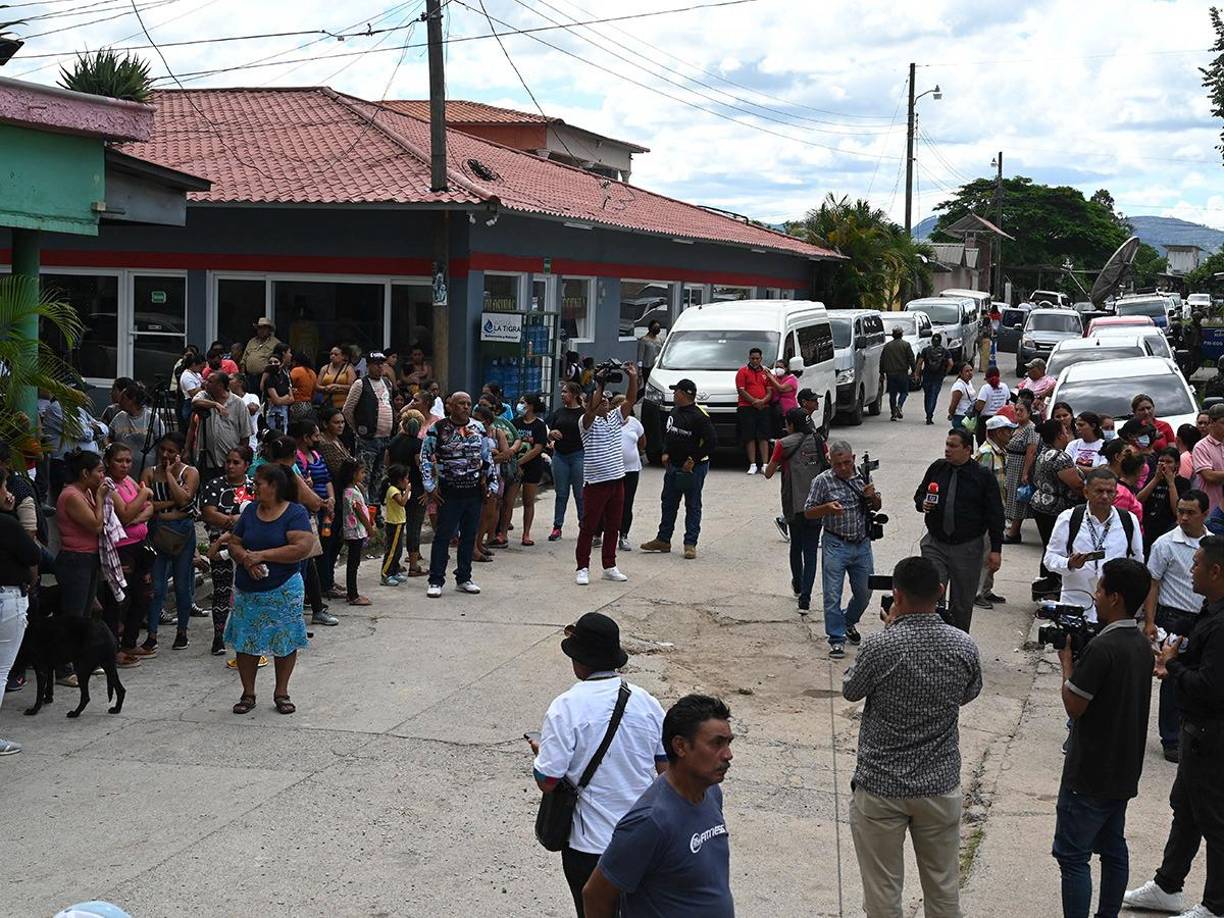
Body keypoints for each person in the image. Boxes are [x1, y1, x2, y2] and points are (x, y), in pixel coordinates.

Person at [843, 556, 982, 918]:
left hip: (881, 786)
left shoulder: (881, 645)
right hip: (938, 784)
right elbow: (969, 692)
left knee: (883, 892)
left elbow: (851, 690)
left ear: (896, 594)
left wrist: (890, 630)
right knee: (943, 888)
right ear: (940, 590)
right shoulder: (963, 645)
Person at [528, 612, 667, 917]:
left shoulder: (566, 707)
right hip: (642, 841)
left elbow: (548, 780)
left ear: (580, 661)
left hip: (590, 846)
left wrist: (541, 753)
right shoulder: (648, 703)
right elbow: (665, 771)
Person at [1124, 533, 1224, 918]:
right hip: (1196, 732)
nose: (1191, 569)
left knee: (1214, 820)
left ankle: (1216, 905)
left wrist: (1171, 667)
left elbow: (1211, 687)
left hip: (1213, 737)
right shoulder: (1209, 609)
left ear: (1216, 571)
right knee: (1185, 807)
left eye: (1197, 564)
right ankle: (1168, 886)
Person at [1052, 558, 1156, 918]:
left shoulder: (1102, 648)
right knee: (1113, 848)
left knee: (1073, 856)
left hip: (1090, 772)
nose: (1094, 596)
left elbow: (1074, 705)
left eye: (1098, 589)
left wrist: (1067, 663)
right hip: (1124, 770)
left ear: (1114, 597)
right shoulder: (1141, 645)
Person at [582, 694, 735, 918]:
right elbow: (596, 895)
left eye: (729, 743)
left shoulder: (711, 792)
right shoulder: (650, 821)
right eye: (716, 743)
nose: (728, 755)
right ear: (681, 746)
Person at [224, 463, 313, 716]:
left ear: (273, 486)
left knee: (284, 639)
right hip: (248, 588)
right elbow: (234, 543)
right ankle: (248, 693)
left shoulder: (295, 513)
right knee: (246, 641)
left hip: (283, 588)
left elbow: (301, 547)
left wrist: (261, 556)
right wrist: (245, 560)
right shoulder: (250, 511)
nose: (254, 485)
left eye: (259, 482)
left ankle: (281, 692)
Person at [913, 429, 1004, 632]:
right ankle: (931, 642)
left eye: (953, 446)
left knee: (962, 603)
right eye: (946, 444)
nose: (947, 450)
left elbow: (995, 514)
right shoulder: (937, 468)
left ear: (967, 449)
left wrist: (996, 550)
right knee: (931, 594)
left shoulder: (982, 476)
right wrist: (923, 503)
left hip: (967, 548)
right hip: (935, 544)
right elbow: (920, 494)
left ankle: (958, 646)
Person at [1144, 490, 1209, 762]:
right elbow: (1153, 583)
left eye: (1190, 512)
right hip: (1172, 619)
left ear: (1204, 514)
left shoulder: (1213, 545)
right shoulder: (1165, 544)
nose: (1183, 517)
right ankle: (1170, 738)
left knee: (1201, 679)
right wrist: (1149, 622)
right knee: (1171, 678)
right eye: (1180, 511)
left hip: (1204, 619)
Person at [804, 439, 879, 658]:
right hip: (835, 543)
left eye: (847, 463)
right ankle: (836, 638)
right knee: (832, 593)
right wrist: (826, 508)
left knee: (865, 592)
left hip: (862, 543)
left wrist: (872, 497)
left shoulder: (863, 475)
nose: (844, 468)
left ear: (853, 459)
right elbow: (808, 511)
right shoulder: (822, 481)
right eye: (838, 465)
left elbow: (876, 505)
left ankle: (847, 621)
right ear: (830, 462)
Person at [421, 391, 499, 598]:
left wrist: (491, 483)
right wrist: (429, 486)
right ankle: (436, 579)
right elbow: (426, 457)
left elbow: (486, 457)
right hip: (449, 491)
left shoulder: (478, 428)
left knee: (469, 536)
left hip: (473, 491)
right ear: (451, 406)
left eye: (468, 403)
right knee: (444, 536)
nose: (465, 407)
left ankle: (464, 577)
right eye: (461, 403)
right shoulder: (437, 429)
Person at [1043, 468, 1144, 623]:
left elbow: (1137, 564)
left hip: (1113, 611)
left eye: (1110, 491)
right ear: (1086, 492)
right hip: (1075, 604)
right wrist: (1069, 563)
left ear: (1116, 494)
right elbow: (1049, 559)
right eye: (1099, 491)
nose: (1105, 496)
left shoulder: (1128, 521)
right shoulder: (1070, 518)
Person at [639, 379, 717, 560]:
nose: (674, 394)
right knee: (668, 503)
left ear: (684, 394)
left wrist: (693, 459)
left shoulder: (699, 416)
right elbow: (670, 434)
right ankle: (663, 539)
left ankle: (690, 543)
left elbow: (712, 442)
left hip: (693, 469)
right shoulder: (674, 411)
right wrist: (666, 452)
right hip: (673, 465)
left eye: (676, 391)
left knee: (692, 504)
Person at [575, 364, 638, 586]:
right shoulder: (585, 423)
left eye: (605, 401)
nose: (603, 402)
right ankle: (582, 567)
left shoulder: (614, 418)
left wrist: (632, 377)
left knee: (614, 525)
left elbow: (630, 400)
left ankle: (609, 566)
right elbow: (592, 408)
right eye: (599, 400)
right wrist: (599, 382)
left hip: (617, 480)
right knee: (589, 526)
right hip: (595, 483)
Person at [764, 407, 827, 612]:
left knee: (796, 547)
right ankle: (805, 600)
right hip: (816, 505)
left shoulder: (783, 444)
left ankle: (798, 586)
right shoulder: (819, 441)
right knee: (811, 552)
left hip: (793, 504)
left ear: (790, 424)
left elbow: (768, 473)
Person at [142, 432, 200, 652]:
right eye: (162, 450)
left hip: (183, 534)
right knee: (156, 587)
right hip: (158, 533)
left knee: (182, 584)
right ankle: (152, 634)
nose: (165, 455)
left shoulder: (190, 472)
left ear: (180, 453)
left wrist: (168, 475)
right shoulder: (148, 473)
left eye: (171, 451)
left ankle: (182, 632)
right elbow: (149, 506)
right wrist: (173, 507)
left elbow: (185, 499)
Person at [100, 444, 155, 667]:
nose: (124, 465)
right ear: (108, 462)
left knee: (143, 595)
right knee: (119, 600)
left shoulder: (129, 481)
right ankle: (114, 649)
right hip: (121, 549)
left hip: (140, 544)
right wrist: (143, 495)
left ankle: (130, 642)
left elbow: (150, 508)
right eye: (119, 461)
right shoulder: (109, 485)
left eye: (128, 461)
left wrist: (137, 514)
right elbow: (124, 514)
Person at [0, 469, 41, 755]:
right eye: (4, 487)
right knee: (1, 670)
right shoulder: (7, 524)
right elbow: (32, 554)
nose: (8, 493)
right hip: (7, 597)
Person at [200, 446, 254, 656]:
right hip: (220, 545)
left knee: (248, 591)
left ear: (246, 465)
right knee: (222, 591)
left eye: (236, 462)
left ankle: (245, 635)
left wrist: (233, 522)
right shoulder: (215, 485)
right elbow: (209, 514)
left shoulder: (253, 486)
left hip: (248, 545)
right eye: (228, 462)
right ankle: (219, 636)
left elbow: (261, 511)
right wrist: (237, 521)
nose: (230, 466)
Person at [1031, 419, 1086, 597]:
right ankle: (1050, 586)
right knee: (1056, 547)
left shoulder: (1044, 453)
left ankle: (1045, 585)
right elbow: (1076, 484)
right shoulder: (1059, 457)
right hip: (1055, 509)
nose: (1068, 434)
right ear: (1060, 435)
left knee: (1048, 546)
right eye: (1065, 431)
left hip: (1041, 504)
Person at [55, 450, 110, 618]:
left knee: (86, 613)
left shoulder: (85, 492)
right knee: (75, 615)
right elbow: (95, 525)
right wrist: (100, 498)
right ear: (85, 473)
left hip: (89, 557)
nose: (102, 476)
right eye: (99, 471)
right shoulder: (72, 496)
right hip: (76, 559)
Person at [342, 351, 395, 507]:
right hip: (368, 439)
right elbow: (347, 410)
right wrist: (358, 429)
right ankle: (364, 510)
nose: (380, 367)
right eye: (376, 364)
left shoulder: (387, 383)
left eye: (382, 364)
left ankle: (375, 510)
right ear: (369, 366)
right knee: (364, 476)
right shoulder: (360, 384)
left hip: (385, 438)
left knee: (379, 477)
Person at [975, 414, 1016, 609]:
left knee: (992, 552)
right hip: (986, 513)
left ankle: (986, 590)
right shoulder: (987, 454)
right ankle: (977, 593)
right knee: (985, 555)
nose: (1010, 434)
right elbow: (980, 485)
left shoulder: (1000, 452)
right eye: (1007, 430)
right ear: (998, 432)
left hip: (997, 511)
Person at [190, 372, 253, 483]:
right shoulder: (204, 396)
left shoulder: (238, 404)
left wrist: (240, 458)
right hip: (207, 459)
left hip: (228, 461)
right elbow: (195, 402)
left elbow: (245, 435)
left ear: (220, 385)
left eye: (210, 381)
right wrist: (215, 405)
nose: (205, 383)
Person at [386, 410, 427, 577]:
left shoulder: (393, 442)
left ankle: (393, 564)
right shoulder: (418, 444)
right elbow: (421, 467)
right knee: (414, 527)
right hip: (415, 489)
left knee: (396, 528)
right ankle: (414, 565)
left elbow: (387, 463)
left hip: (396, 490)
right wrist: (427, 489)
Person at [547, 382, 587, 542]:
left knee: (580, 494)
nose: (562, 395)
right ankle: (557, 527)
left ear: (575, 394)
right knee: (561, 494)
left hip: (578, 455)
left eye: (565, 392)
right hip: (560, 456)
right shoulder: (558, 412)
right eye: (562, 392)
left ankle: (584, 526)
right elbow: (547, 429)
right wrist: (551, 434)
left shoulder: (584, 413)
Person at [511, 394, 548, 547]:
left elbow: (538, 448)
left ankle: (526, 533)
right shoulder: (514, 423)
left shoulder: (539, 425)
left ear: (531, 406)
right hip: (514, 467)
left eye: (523, 402)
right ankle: (501, 532)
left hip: (532, 467)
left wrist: (519, 462)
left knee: (528, 501)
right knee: (508, 501)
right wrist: (515, 464)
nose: (520, 405)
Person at [736, 347, 780, 474]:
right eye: (752, 358)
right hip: (746, 407)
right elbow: (741, 390)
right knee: (749, 436)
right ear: (749, 358)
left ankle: (765, 464)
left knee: (763, 436)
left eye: (757, 358)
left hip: (764, 407)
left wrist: (763, 401)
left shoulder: (765, 372)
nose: (755, 361)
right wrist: (754, 401)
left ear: (761, 359)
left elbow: (770, 390)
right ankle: (753, 464)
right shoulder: (742, 371)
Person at [108, 382, 165, 480]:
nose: (119, 402)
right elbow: (108, 436)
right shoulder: (119, 417)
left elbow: (162, 442)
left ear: (132, 400)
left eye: (123, 399)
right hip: (123, 472)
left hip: (146, 470)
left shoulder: (152, 418)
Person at [1140, 447, 1190, 556]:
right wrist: (1156, 479)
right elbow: (1139, 500)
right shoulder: (1152, 478)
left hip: (1167, 530)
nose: (1164, 465)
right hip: (1148, 530)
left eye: (1168, 462)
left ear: (1177, 464)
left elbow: (1177, 511)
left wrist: (1171, 483)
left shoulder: (1182, 483)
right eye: (1161, 461)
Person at [1003, 399, 1040, 543]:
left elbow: (1031, 451)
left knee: (1019, 499)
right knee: (1011, 496)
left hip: (1021, 466)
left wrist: (1025, 472)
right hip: (1011, 465)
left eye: (1021, 410)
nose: (1018, 413)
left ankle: (1014, 533)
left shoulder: (1031, 428)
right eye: (1016, 410)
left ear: (1029, 412)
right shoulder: (1016, 426)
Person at [336, 459, 371, 606]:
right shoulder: (351, 492)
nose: (363, 475)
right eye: (361, 472)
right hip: (355, 531)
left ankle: (352, 593)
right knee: (353, 563)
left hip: (353, 531)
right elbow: (359, 512)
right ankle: (353, 594)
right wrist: (370, 528)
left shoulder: (352, 489)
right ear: (353, 474)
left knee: (354, 562)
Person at [613, 395, 645, 554]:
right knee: (608, 502)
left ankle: (623, 535)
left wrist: (638, 452)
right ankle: (599, 533)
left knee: (627, 503)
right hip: (612, 469)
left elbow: (642, 440)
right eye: (618, 405)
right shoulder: (609, 422)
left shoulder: (634, 423)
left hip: (631, 469)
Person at [380, 464, 409, 586]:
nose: (407, 481)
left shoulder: (396, 489)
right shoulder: (393, 490)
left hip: (399, 522)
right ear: (400, 479)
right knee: (392, 551)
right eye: (406, 478)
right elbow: (402, 502)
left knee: (398, 551)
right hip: (394, 523)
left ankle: (395, 570)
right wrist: (408, 490)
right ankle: (386, 574)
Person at [880, 325, 916, 421]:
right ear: (901, 335)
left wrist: (881, 373)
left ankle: (893, 414)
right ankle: (899, 405)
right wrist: (914, 371)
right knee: (904, 392)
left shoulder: (887, 346)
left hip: (890, 374)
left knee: (892, 394)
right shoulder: (906, 345)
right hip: (902, 373)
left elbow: (882, 360)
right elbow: (911, 359)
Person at [917, 332, 953, 425]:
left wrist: (917, 373)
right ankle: (930, 415)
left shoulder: (925, 350)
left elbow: (920, 362)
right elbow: (951, 363)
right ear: (940, 341)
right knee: (934, 396)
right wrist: (945, 373)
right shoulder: (945, 351)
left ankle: (927, 413)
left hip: (927, 376)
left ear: (932, 341)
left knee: (927, 395)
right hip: (938, 376)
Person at [1194, 403, 1224, 514]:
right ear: (1212, 422)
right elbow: (1209, 476)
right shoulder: (1201, 447)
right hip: (1212, 510)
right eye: (1223, 423)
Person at [241, 317, 281, 393]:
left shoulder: (275, 343)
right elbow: (244, 360)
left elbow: (278, 361)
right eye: (259, 328)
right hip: (249, 378)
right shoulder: (252, 341)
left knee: (263, 401)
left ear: (269, 330)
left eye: (264, 328)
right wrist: (243, 376)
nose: (261, 330)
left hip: (266, 377)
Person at [974, 366, 1012, 446]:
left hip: (985, 421)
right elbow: (1007, 401)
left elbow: (979, 406)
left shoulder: (985, 388)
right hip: (1001, 419)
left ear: (987, 378)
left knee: (984, 445)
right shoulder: (1004, 386)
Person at [318, 346, 356, 410]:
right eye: (331, 354)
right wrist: (325, 388)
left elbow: (353, 386)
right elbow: (317, 385)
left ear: (343, 356)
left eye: (336, 354)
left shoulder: (348, 369)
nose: (332, 356)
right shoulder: (324, 368)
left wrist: (337, 386)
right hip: (327, 404)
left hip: (343, 406)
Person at [178, 351, 207, 425]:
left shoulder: (196, 374)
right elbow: (192, 393)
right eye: (200, 367)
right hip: (190, 403)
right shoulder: (186, 376)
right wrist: (202, 386)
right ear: (194, 364)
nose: (202, 369)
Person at [946, 361, 976, 431]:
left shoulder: (968, 382)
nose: (970, 373)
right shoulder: (959, 386)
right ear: (960, 373)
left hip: (969, 417)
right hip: (960, 417)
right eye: (967, 371)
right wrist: (951, 414)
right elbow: (953, 405)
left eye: (971, 370)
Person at [288, 351, 317, 420]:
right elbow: (314, 391)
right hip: (308, 405)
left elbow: (288, 384)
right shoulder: (312, 372)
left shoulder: (296, 370)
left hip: (297, 404)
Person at [636, 320, 664, 386]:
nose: (657, 329)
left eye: (658, 327)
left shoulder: (660, 340)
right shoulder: (644, 340)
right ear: (650, 328)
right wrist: (639, 370)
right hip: (647, 367)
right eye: (655, 327)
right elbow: (640, 355)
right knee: (647, 384)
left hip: (656, 367)